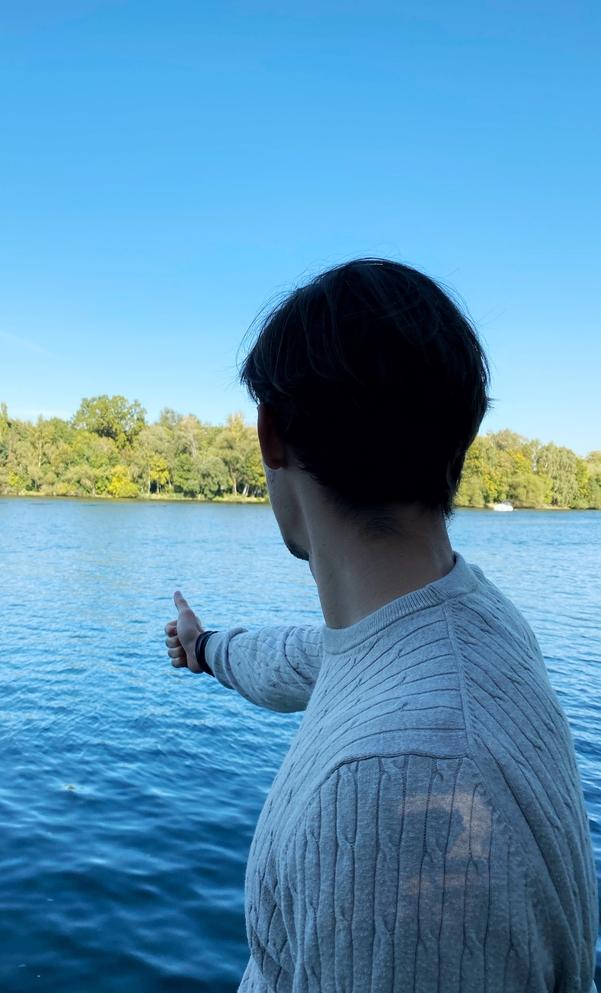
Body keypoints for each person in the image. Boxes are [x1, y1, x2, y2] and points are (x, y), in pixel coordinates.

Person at [164, 259, 599, 993]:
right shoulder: (467, 619)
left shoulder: (396, 794)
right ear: (457, 440)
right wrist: (205, 648)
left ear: (271, 435)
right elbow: (309, 656)